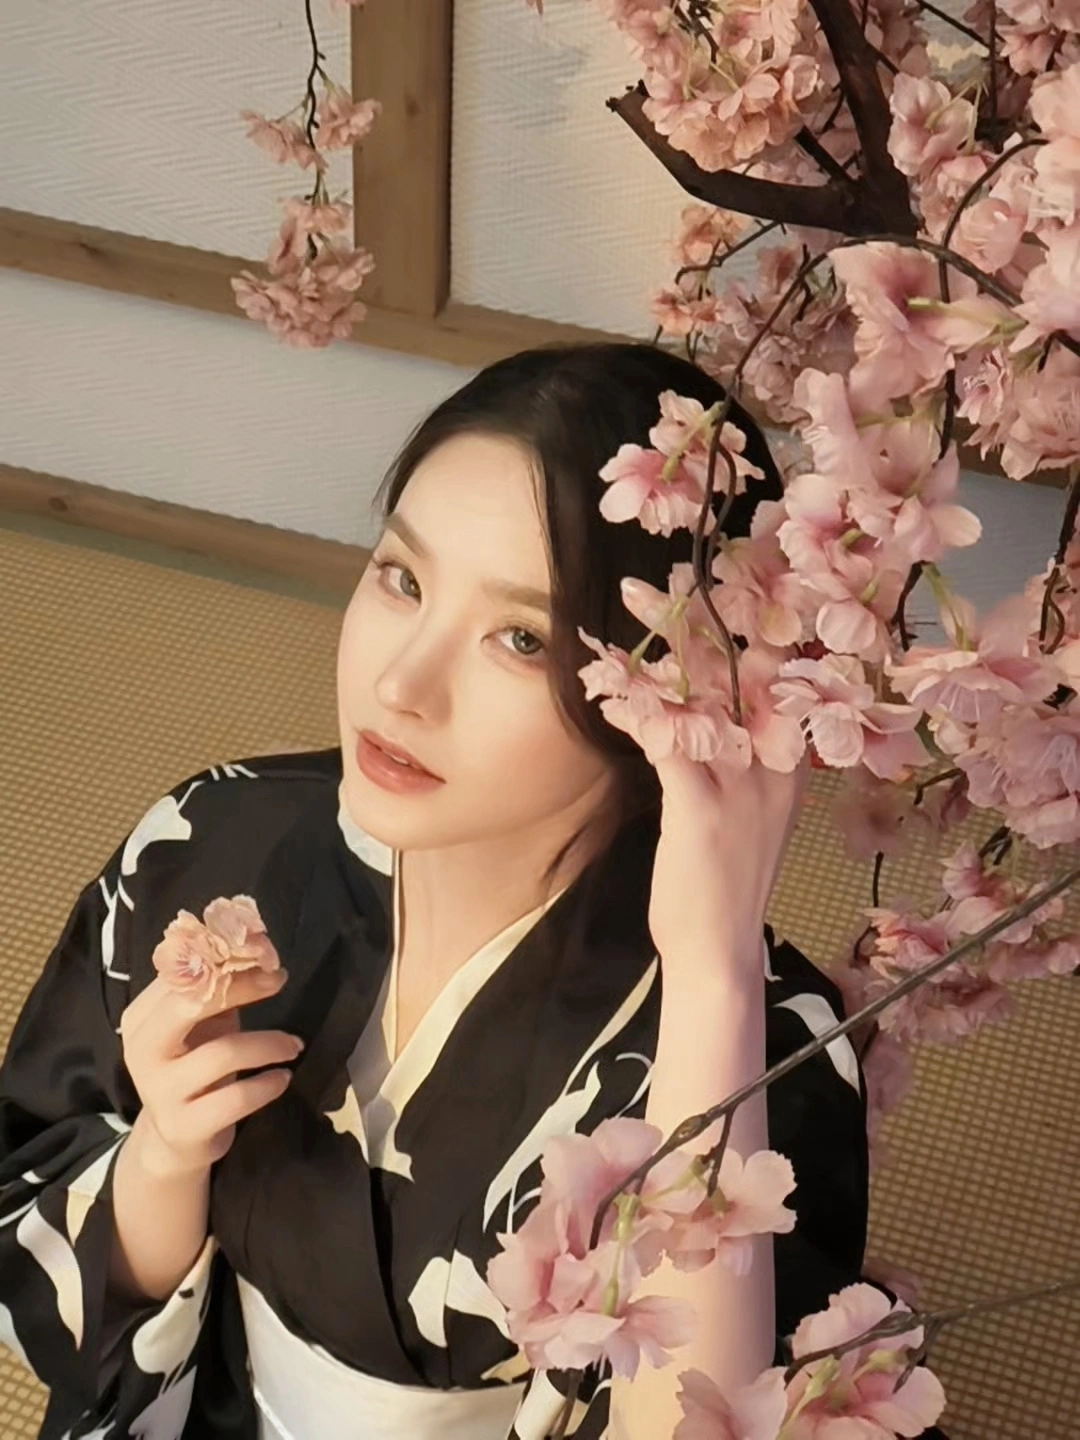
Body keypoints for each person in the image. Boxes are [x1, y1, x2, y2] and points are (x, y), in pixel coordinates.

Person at [0, 343, 902, 1440]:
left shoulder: (768, 1042)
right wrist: (163, 1159)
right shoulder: (211, 838)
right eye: (402, 579)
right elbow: (36, 1193)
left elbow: (697, 1421)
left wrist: (712, 974)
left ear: (665, 699)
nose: (400, 684)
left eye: (520, 639)